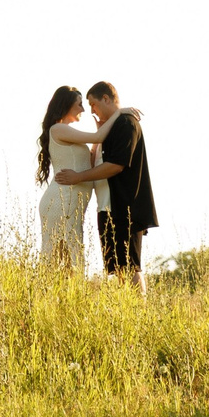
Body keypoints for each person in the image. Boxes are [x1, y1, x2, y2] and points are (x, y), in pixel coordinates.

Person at [53, 81, 156, 289]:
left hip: (124, 208)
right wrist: (98, 139)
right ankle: (128, 312)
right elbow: (96, 162)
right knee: (118, 267)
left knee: (130, 266)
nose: (91, 110)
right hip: (107, 209)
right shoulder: (109, 130)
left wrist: (77, 177)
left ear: (106, 99)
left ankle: (141, 314)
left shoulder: (126, 123)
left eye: (93, 104)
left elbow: (116, 166)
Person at [35, 84, 102, 272]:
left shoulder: (68, 133)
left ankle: (62, 300)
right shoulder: (58, 129)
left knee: (68, 259)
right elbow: (100, 135)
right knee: (60, 259)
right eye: (80, 104)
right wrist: (122, 114)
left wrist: (98, 131)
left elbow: (93, 150)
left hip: (71, 201)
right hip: (61, 200)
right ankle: (49, 298)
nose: (83, 109)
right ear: (67, 106)